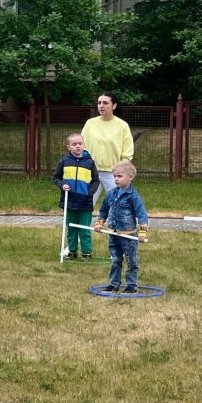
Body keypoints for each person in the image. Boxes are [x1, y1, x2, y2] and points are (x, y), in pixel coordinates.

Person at [93, 160, 148, 293]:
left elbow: (142, 215)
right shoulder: (111, 194)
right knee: (115, 259)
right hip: (113, 233)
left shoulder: (133, 197)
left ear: (130, 177)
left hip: (128, 235)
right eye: (115, 176)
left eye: (119, 176)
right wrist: (100, 223)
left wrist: (142, 232)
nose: (116, 179)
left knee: (131, 261)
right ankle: (114, 283)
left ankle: (131, 285)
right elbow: (103, 210)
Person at [52, 132, 99, 260]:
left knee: (84, 229)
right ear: (69, 147)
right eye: (74, 144)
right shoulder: (64, 161)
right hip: (69, 201)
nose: (78, 146)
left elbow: (96, 181)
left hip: (85, 202)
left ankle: (86, 253)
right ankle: (72, 252)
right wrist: (62, 186)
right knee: (71, 228)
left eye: (80, 143)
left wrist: (90, 192)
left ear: (84, 145)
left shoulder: (89, 162)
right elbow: (56, 178)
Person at [81, 92, 134, 206]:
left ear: (113, 106)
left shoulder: (122, 125)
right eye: (99, 103)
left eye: (105, 103)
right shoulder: (90, 124)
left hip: (113, 173)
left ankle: (119, 224)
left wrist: (120, 171)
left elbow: (127, 153)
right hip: (91, 171)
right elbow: (81, 146)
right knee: (85, 203)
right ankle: (81, 224)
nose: (101, 106)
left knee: (118, 203)